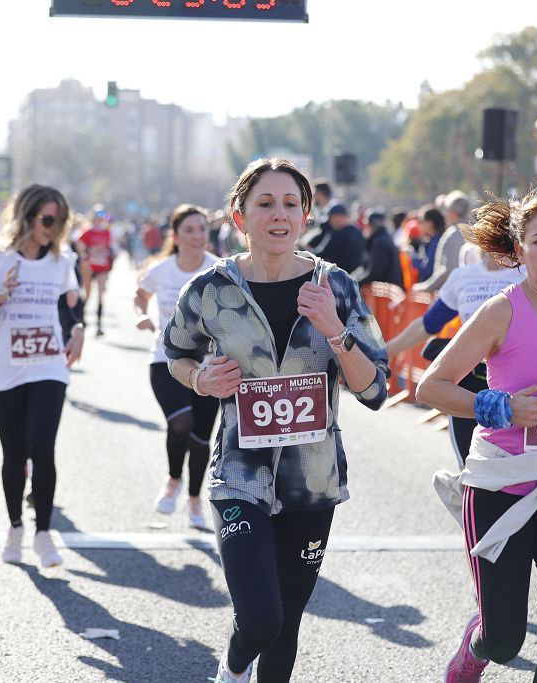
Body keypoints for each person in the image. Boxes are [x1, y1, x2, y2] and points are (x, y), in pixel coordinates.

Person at [164, 158, 389, 683]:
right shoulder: (211, 290)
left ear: (306, 214)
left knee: (286, 625)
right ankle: (235, 664)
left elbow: (375, 389)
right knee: (261, 619)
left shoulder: (335, 288)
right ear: (240, 218)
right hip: (241, 475)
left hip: (312, 481)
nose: (279, 215)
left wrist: (335, 329)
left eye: (290, 204)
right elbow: (175, 352)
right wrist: (201, 380)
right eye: (265, 204)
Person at [418, 180, 537, 682]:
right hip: (502, 487)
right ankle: (473, 650)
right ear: (520, 250)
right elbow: (431, 387)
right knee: (504, 639)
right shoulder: (502, 310)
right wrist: (500, 407)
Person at [0, 184, 85, 569]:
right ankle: (15, 527)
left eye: (59, 221)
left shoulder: (62, 261)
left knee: (44, 449)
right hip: (7, 370)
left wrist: (77, 329)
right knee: (14, 455)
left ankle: (44, 535)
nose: (53, 227)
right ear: (28, 216)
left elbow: (67, 308)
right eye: (48, 219)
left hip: (49, 367)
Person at [385, 251, 525, 464]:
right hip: (468, 383)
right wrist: (387, 350)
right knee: (468, 465)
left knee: (516, 469)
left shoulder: (526, 273)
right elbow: (428, 324)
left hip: (514, 384)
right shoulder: (464, 276)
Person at [134, 204, 220, 530]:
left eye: (202, 229)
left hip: (210, 364)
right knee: (181, 422)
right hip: (165, 359)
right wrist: (142, 314)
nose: (198, 236)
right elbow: (140, 294)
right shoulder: (162, 270)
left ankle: (195, 499)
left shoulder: (220, 270)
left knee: (201, 437)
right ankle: (173, 480)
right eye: (190, 230)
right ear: (175, 236)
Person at [414, 190, 469, 292]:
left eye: (446, 211)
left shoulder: (452, 234)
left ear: (452, 213)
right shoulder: (475, 231)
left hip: (451, 295)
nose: (445, 215)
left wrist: (424, 288)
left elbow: (447, 271)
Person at [76, 207, 114, 337]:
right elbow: (79, 244)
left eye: (102, 215)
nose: (100, 218)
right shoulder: (88, 232)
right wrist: (84, 258)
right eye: (98, 215)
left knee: (101, 294)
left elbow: (109, 248)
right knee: (88, 293)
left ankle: (99, 325)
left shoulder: (106, 232)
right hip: (89, 267)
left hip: (102, 267)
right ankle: (81, 317)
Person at [307, 203, 366, 275]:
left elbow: (323, 253)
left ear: (339, 217)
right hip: (352, 275)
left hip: (338, 276)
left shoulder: (340, 234)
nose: (330, 221)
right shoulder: (358, 232)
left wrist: (306, 255)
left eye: (331, 217)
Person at [352, 209, 404, 289]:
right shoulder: (382, 238)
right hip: (387, 290)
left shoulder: (380, 242)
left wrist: (353, 284)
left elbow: (375, 273)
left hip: (386, 294)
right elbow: (365, 266)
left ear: (370, 224)